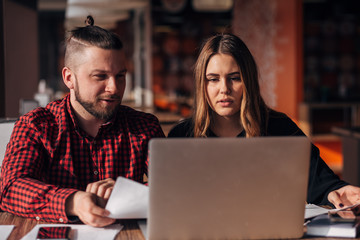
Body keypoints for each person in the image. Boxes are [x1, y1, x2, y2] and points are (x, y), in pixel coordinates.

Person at [0, 16, 164, 227]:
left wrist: (131, 194)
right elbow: (10, 188)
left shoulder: (144, 127)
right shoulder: (36, 126)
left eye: (120, 76)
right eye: (100, 76)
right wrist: (73, 202)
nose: (114, 88)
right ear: (69, 78)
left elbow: (173, 188)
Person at [168, 33, 360, 209]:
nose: (224, 89)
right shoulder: (181, 136)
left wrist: (336, 191)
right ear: (202, 84)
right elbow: (170, 200)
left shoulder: (280, 128)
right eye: (213, 79)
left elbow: (318, 181)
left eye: (234, 78)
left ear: (248, 81)